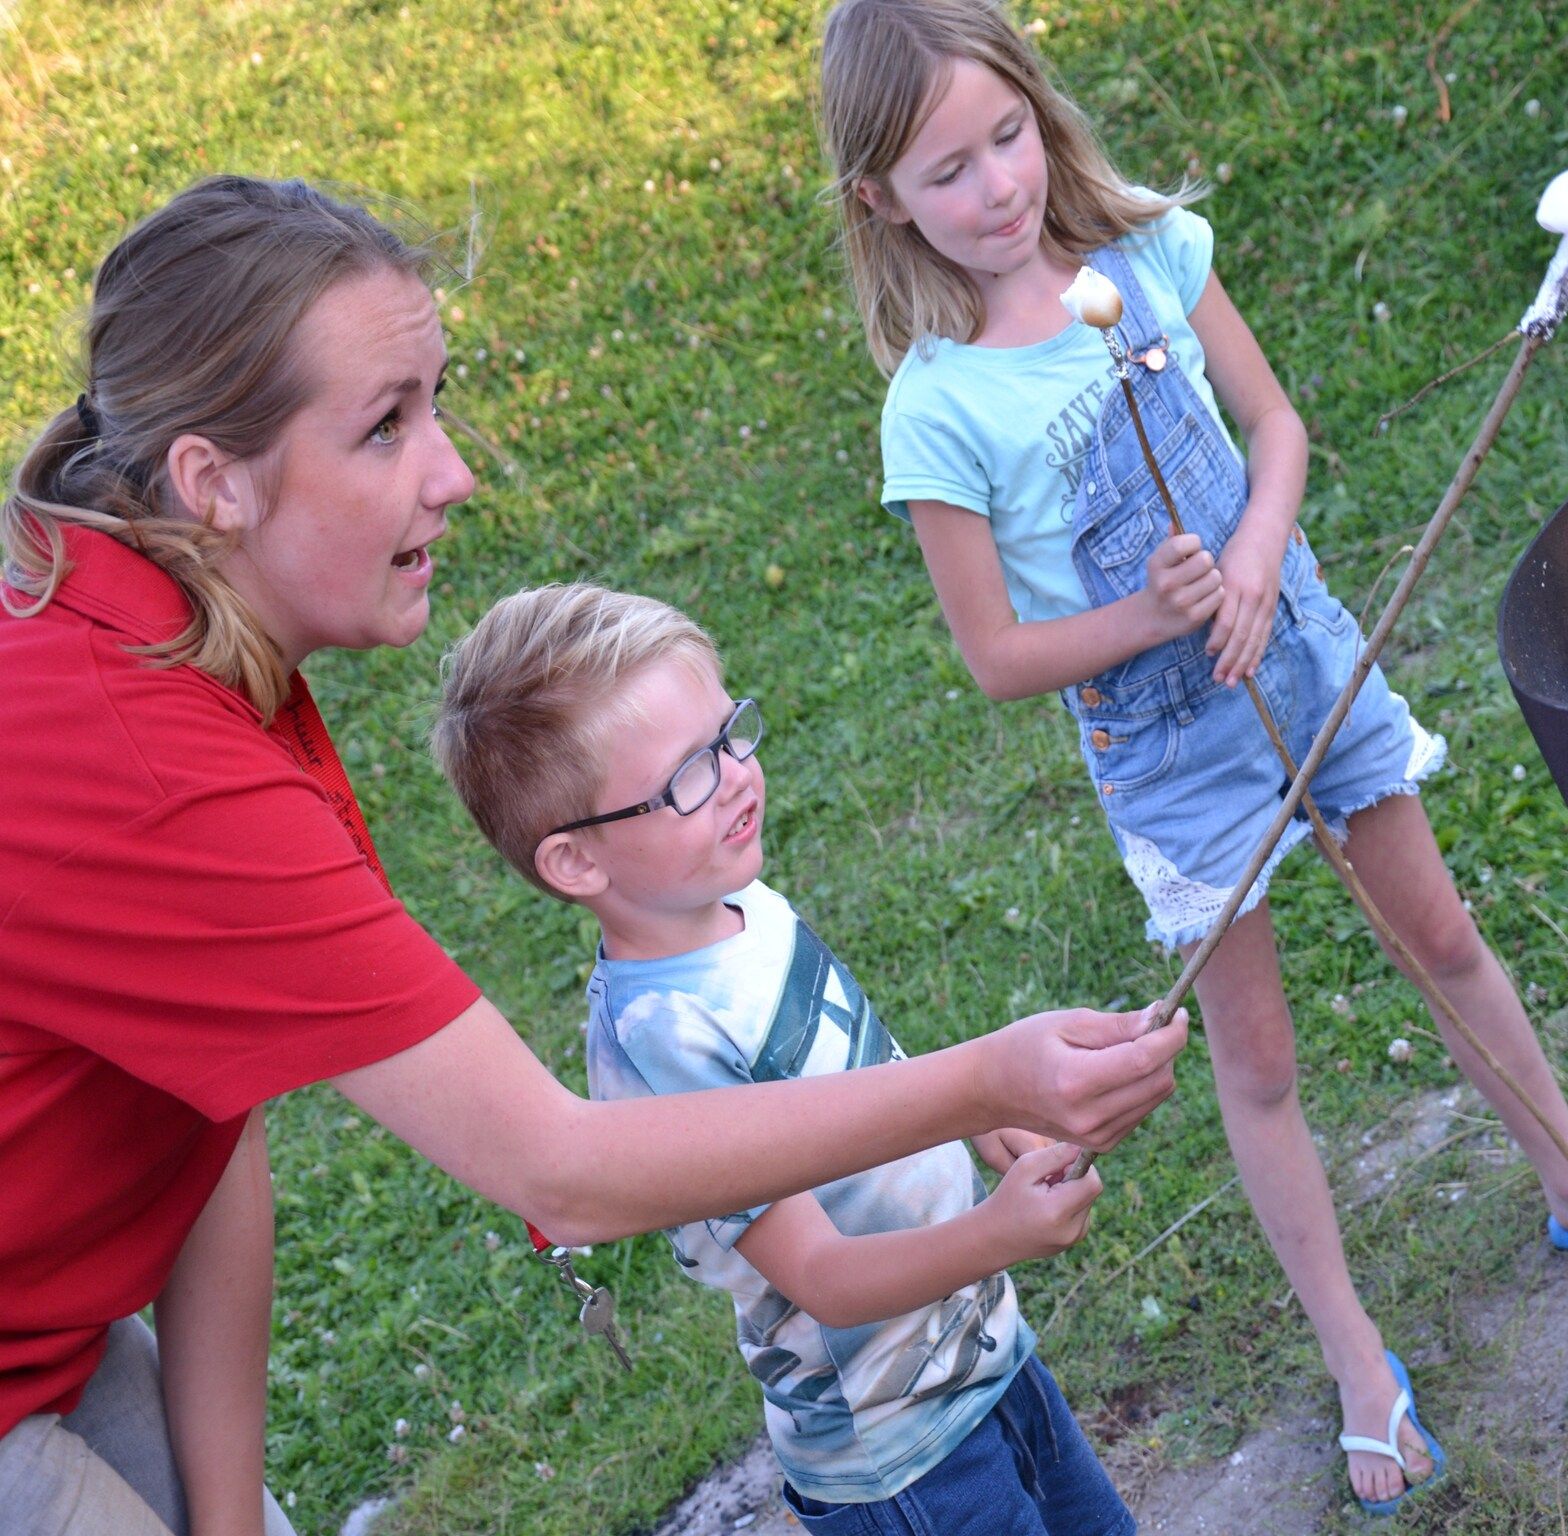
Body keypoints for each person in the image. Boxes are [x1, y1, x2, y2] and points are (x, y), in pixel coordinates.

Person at [0, 174, 1188, 1536]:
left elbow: (206, 1125)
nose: (452, 472)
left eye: (434, 404)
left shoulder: (179, 642)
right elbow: (558, 1165)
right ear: (212, 482)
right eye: (385, 428)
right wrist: (982, 1076)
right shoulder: (149, 758)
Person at [816, 0, 1568, 1514]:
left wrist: (1251, 560)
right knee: (1256, 1062)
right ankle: (1357, 1358)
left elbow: (1277, 425)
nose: (994, 188)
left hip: (1304, 655)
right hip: (1173, 757)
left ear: (1040, 115)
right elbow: (995, 657)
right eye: (944, 173)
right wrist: (1146, 614)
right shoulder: (940, 406)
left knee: (1441, 932)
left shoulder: (1155, 256)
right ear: (880, 201)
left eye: (1005, 139)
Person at [435, 583, 1139, 1536]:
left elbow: (863, 1082)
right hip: (902, 1455)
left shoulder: (742, 904)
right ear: (576, 864)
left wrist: (984, 1118)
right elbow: (825, 1278)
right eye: (688, 774)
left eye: (730, 735)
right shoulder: (662, 1046)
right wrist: (999, 1236)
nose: (734, 776)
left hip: (982, 1352)